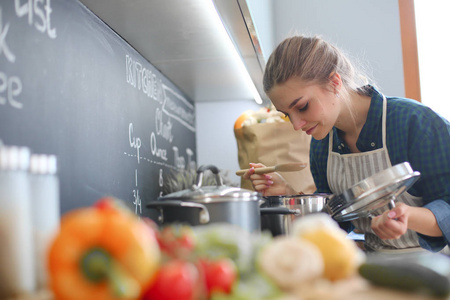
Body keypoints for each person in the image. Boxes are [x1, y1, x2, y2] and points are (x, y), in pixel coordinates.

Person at [243, 35, 450, 253]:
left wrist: (408, 216)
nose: (296, 125)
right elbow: (335, 221)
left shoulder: (415, 123)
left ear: (334, 82)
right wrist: (287, 193)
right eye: (287, 114)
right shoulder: (323, 144)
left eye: (302, 107)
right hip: (375, 267)